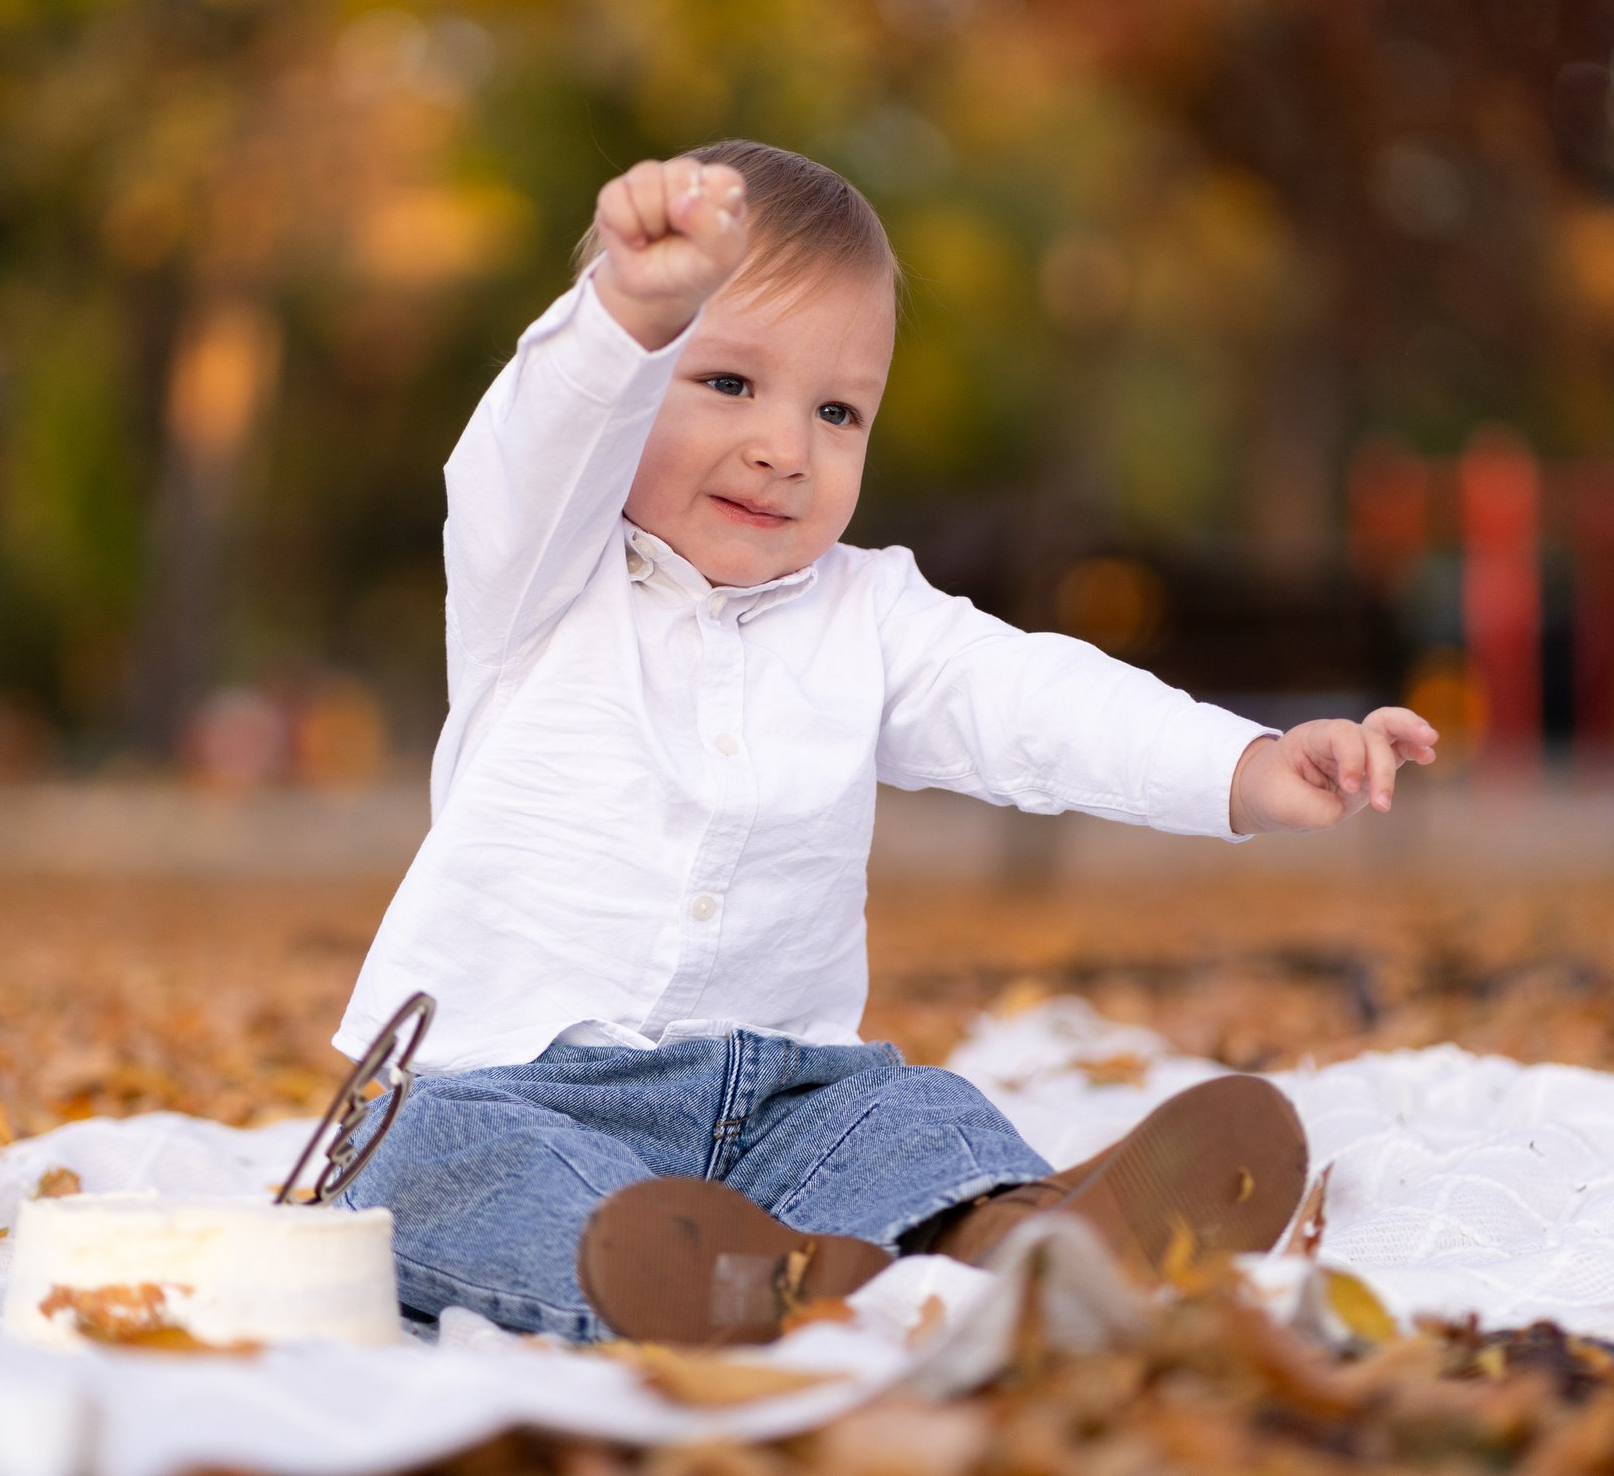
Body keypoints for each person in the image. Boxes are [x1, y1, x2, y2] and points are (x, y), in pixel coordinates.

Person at [334, 142, 1438, 1344]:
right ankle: (702, 1282)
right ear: (637, 378)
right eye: (725, 384)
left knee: (916, 1117)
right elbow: (531, 438)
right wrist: (624, 312)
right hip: (513, 1086)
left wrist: (1240, 765)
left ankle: (1008, 1238)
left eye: (836, 410)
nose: (785, 448)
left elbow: (1035, 704)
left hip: (779, 1105)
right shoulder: (543, 570)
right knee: (429, 1160)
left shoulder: (867, 615)